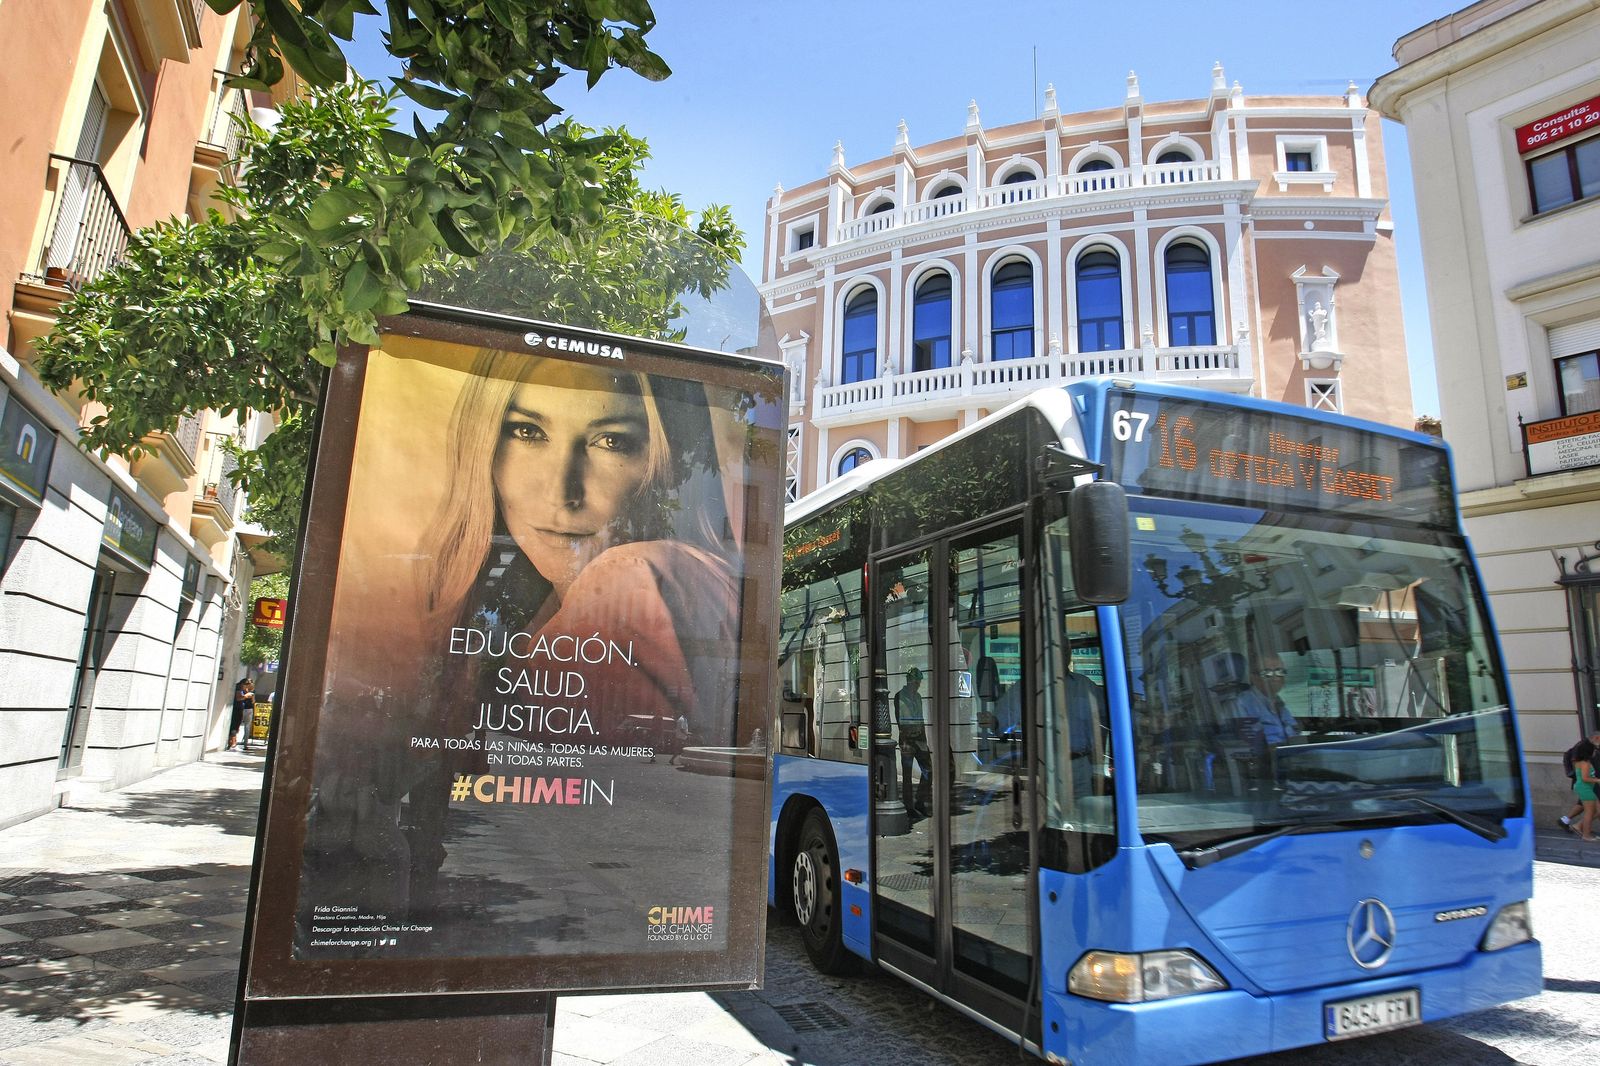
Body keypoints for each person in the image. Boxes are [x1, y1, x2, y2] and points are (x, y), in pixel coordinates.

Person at [1228, 652, 1298, 789]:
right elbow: (1249, 747)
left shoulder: (1281, 703)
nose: (1276, 678)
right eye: (1268, 673)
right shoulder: (1242, 702)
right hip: (1265, 776)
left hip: (1292, 768)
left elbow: (1295, 734)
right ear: (1253, 677)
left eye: (1279, 671)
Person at [895, 667, 932, 817]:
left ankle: (920, 801)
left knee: (928, 770)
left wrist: (924, 741)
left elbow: (921, 719)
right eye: (916, 683)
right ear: (910, 682)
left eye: (919, 683)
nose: (918, 685)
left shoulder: (918, 697)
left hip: (919, 739)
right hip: (907, 740)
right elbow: (900, 721)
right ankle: (909, 807)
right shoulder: (899, 697)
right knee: (907, 775)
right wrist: (906, 738)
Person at [1560, 730, 1600, 834]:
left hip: (1588, 781)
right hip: (1589, 781)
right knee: (1592, 809)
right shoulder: (1585, 748)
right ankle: (1579, 826)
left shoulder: (1586, 746)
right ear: (1596, 738)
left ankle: (1568, 821)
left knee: (1586, 805)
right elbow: (1583, 768)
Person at [1571, 738, 1599, 843]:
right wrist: (1598, 780)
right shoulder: (1585, 763)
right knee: (1589, 813)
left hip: (1586, 788)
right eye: (1593, 749)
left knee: (1594, 811)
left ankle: (1580, 828)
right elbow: (1585, 778)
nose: (1595, 751)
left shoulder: (1581, 761)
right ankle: (1586, 835)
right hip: (1585, 788)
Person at [227, 679, 254, 750]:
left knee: (236, 726)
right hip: (237, 709)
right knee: (235, 726)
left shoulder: (242, 689)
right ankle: (232, 743)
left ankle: (233, 743)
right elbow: (238, 698)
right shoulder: (239, 689)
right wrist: (246, 696)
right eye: (247, 686)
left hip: (240, 709)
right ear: (245, 684)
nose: (247, 688)